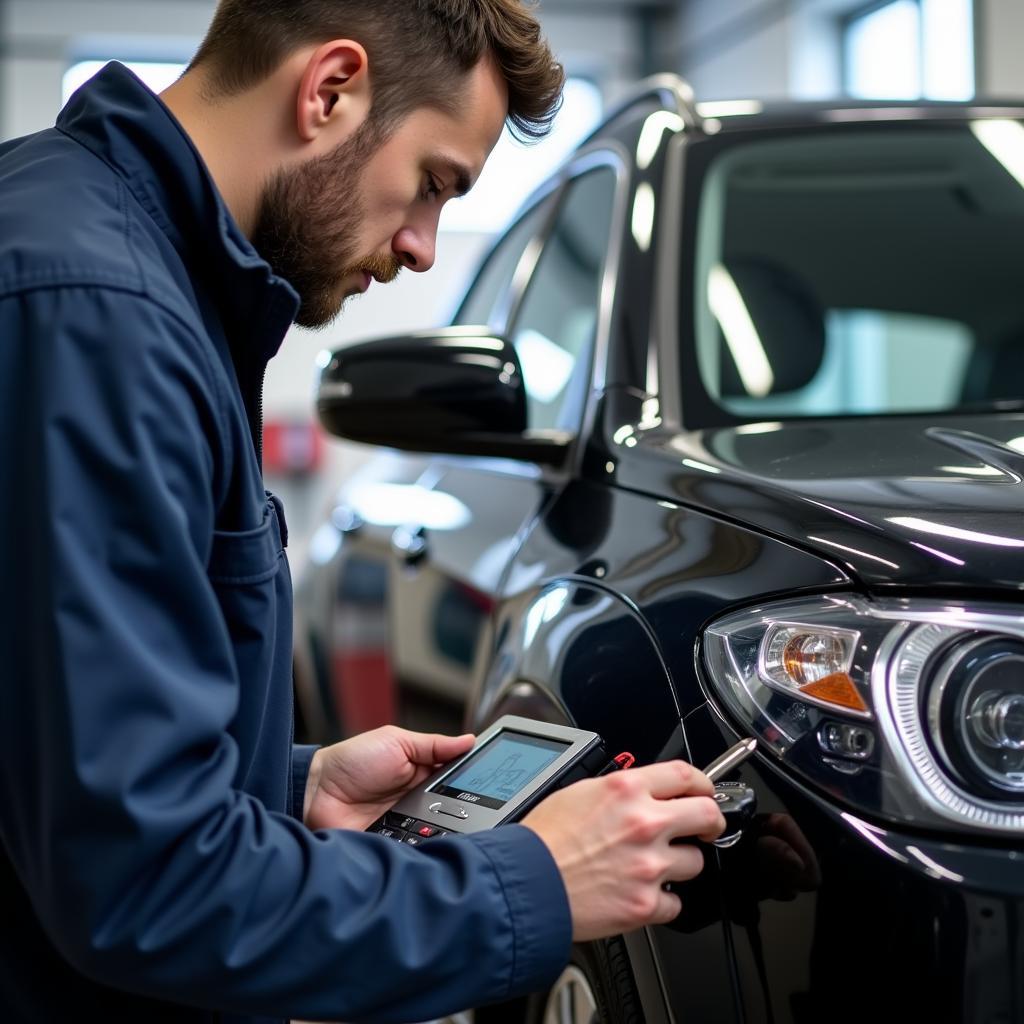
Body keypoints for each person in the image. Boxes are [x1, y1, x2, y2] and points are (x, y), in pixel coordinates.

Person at [0, 2, 726, 1021]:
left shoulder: (95, 249)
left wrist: (287, 785)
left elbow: (47, 745)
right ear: (328, 89)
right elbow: (145, 883)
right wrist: (535, 881)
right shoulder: (102, 318)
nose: (427, 247)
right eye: (432, 183)